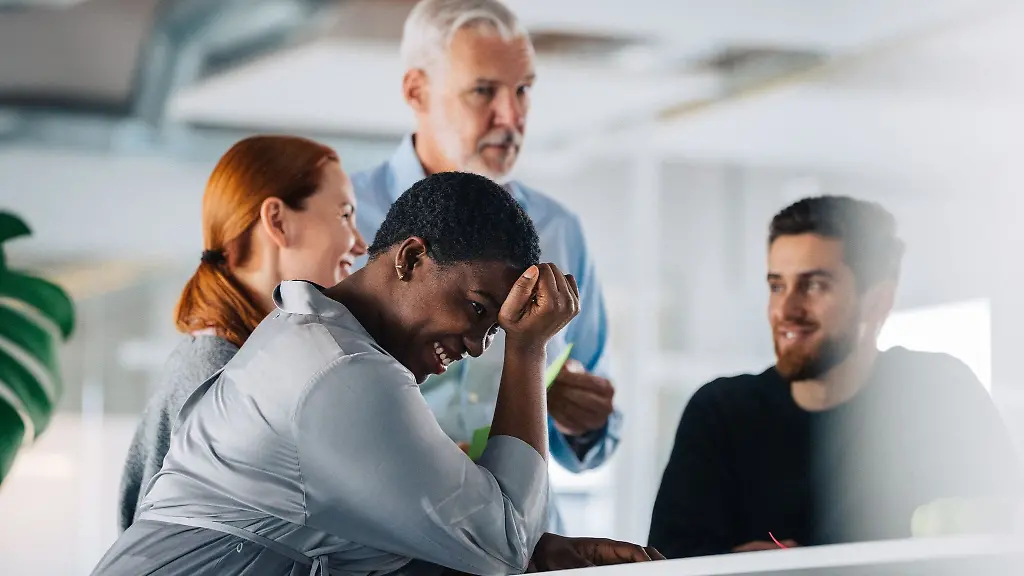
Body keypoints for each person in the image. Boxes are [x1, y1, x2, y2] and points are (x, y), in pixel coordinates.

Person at [92, 171, 663, 575]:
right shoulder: (342, 372)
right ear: (412, 259)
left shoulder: (315, 340)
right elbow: (503, 545)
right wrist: (527, 349)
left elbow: (387, 550)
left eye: (493, 331)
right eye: (478, 310)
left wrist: (545, 551)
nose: (474, 344)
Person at [352, 0, 619, 533]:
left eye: (523, 91)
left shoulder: (559, 230)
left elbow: (598, 440)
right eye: (484, 91)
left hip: (526, 538)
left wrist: (580, 418)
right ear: (416, 92)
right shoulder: (344, 218)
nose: (511, 116)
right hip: (386, 537)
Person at [648, 195, 1023, 558]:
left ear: (877, 301)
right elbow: (667, 562)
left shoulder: (939, 394)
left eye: (814, 285)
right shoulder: (719, 413)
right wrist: (732, 565)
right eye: (777, 285)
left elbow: (1004, 534)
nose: (786, 309)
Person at [116, 135, 368, 532]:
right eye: (344, 214)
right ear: (278, 221)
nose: (359, 242)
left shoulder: (250, 364)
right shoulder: (216, 377)